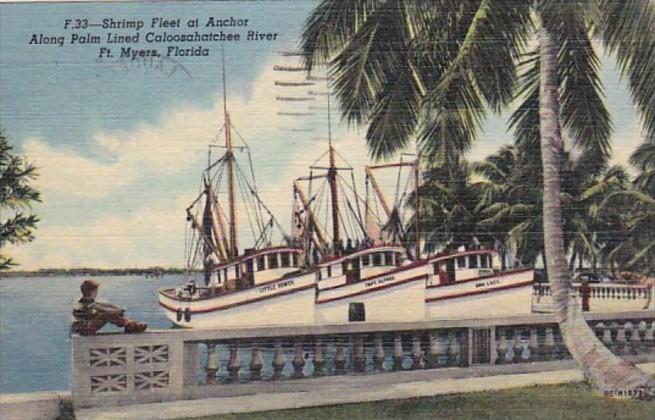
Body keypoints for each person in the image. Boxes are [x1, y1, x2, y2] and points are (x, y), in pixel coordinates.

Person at [71, 279, 147, 335]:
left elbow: (105, 305)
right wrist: (118, 311)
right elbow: (105, 310)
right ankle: (130, 325)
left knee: (103, 313)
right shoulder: (88, 303)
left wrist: (117, 308)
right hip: (84, 330)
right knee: (105, 315)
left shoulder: (85, 301)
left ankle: (130, 325)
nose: (97, 293)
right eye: (96, 291)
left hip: (83, 329)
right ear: (91, 292)